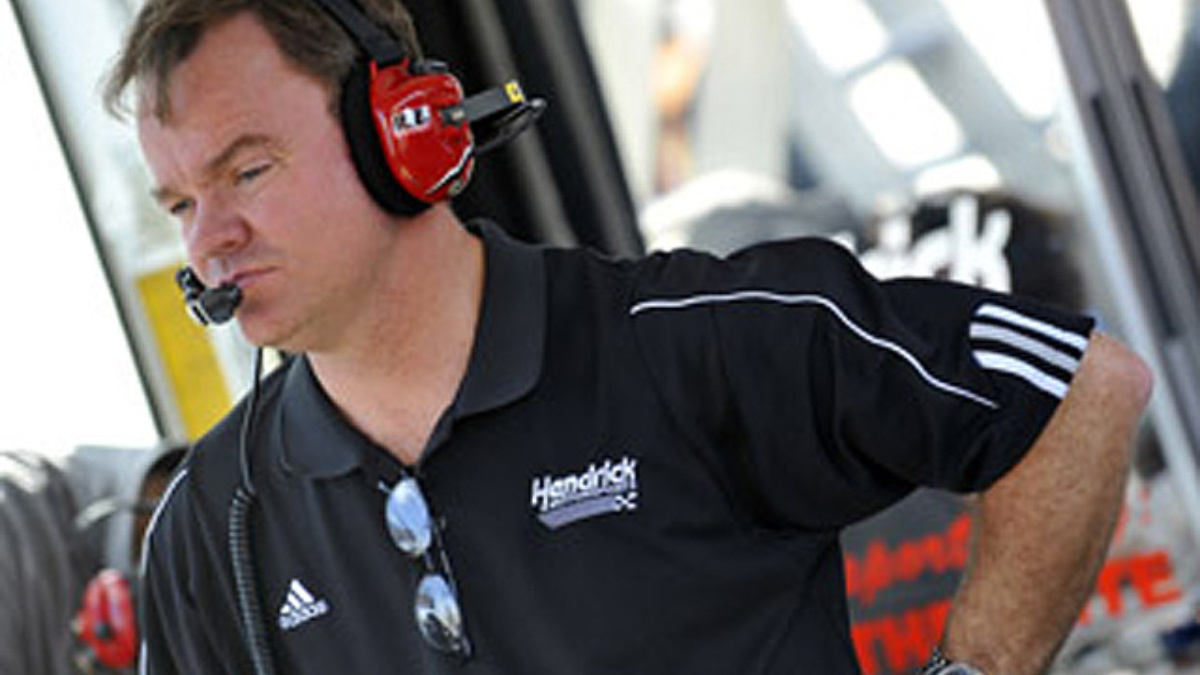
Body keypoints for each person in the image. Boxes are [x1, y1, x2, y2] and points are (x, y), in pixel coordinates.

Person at [101, 1, 1153, 674]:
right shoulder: (209, 526)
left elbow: (1079, 388)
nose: (209, 238)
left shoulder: (688, 345)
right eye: (180, 202)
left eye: (247, 171)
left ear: (404, 134)